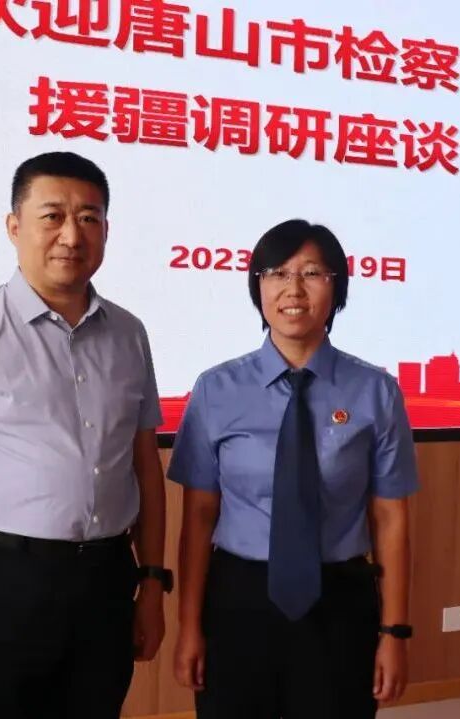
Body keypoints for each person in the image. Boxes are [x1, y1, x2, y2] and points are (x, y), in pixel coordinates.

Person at [0, 151, 171, 719]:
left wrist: (151, 584)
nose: (72, 235)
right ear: (14, 226)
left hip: (105, 583)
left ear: (106, 230)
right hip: (2, 584)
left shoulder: (129, 334)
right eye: (53, 216)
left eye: (89, 218)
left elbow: (145, 467)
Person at [168, 219, 419, 718]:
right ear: (257, 286)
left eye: (312, 273)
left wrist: (394, 633)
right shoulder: (216, 390)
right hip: (238, 601)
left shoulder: (376, 392)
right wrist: (189, 626)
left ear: (337, 287)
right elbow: (197, 518)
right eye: (277, 273)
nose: (294, 289)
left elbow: (390, 519)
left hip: (340, 601)